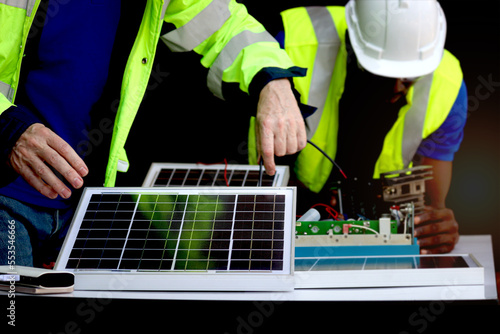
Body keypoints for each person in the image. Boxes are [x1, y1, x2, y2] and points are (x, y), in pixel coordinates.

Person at [0, 0, 308, 267]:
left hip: (86, 204)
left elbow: (225, 25)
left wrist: (273, 80)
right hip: (7, 193)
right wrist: (7, 127)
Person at [248, 0, 466, 254]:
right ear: (352, 42)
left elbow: (432, 207)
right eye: (382, 75)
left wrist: (436, 226)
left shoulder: (448, 86)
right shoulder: (290, 45)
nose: (396, 88)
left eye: (409, 78)